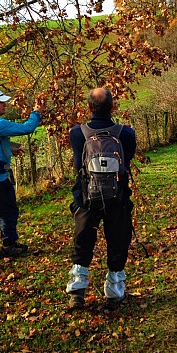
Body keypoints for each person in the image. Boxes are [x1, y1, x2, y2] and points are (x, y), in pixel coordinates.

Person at [66, 87, 136, 310]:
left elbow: (78, 165)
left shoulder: (77, 133)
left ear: (88, 108)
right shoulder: (126, 133)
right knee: (118, 241)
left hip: (86, 197)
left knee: (83, 241)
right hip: (118, 198)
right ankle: (114, 291)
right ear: (112, 107)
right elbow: (127, 162)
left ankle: (77, 290)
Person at [0, 88, 44, 259]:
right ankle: (9, 245)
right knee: (9, 212)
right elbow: (27, 127)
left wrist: (11, 148)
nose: (4, 105)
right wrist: (36, 112)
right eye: (0, 102)